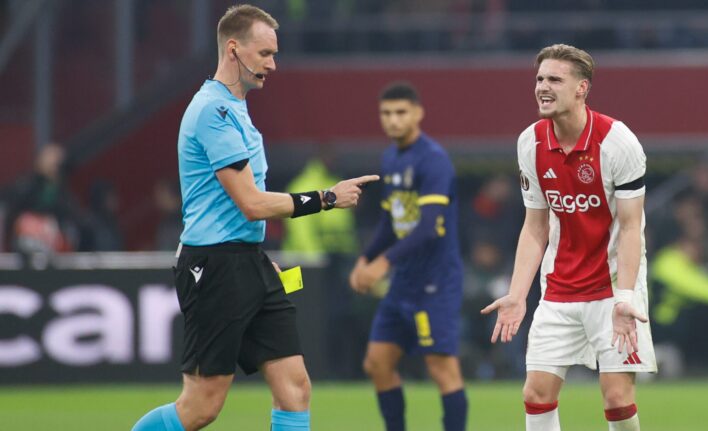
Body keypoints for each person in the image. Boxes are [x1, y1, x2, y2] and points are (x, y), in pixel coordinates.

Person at [130, 5, 378, 431]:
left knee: (295, 387)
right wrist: (326, 198)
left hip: (246, 259)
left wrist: (254, 253)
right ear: (233, 49)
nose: (273, 65)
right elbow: (251, 202)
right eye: (265, 53)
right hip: (214, 265)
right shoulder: (213, 111)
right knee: (202, 406)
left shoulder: (235, 108)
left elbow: (245, 211)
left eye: (274, 54)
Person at [481, 44, 657, 431]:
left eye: (554, 79)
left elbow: (631, 227)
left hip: (613, 288)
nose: (542, 87)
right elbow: (535, 227)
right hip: (560, 287)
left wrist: (626, 297)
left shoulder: (617, 142)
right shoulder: (530, 142)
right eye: (539, 79)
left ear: (582, 88)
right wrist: (516, 294)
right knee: (536, 393)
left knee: (616, 397)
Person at [349, 82, 468, 431]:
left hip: (435, 280)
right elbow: (392, 222)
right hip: (404, 280)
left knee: (441, 368)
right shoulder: (391, 157)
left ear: (418, 113)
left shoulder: (433, 160)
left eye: (401, 112)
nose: (393, 120)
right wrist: (365, 258)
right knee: (377, 363)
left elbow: (429, 226)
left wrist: (382, 264)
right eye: (386, 113)